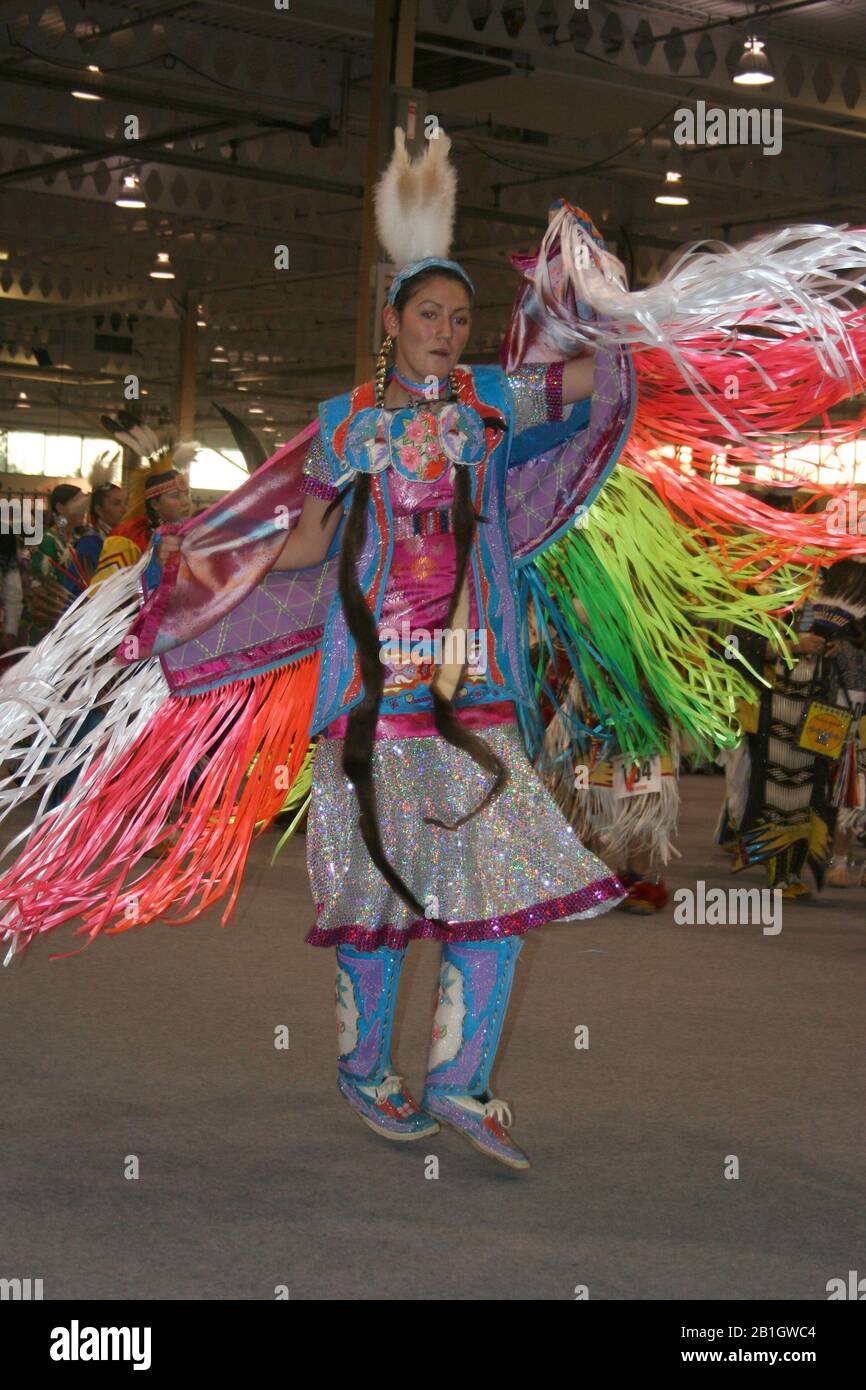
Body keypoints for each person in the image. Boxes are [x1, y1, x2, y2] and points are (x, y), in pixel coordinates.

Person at [28, 484, 90, 641]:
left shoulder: (77, 541)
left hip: (73, 623)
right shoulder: (47, 541)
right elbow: (42, 591)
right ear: (60, 508)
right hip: (52, 627)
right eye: (77, 502)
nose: (83, 509)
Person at [74, 482, 126, 578]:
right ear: (99, 510)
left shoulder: (125, 537)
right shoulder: (89, 543)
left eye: (125, 503)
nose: (124, 509)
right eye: (116, 503)